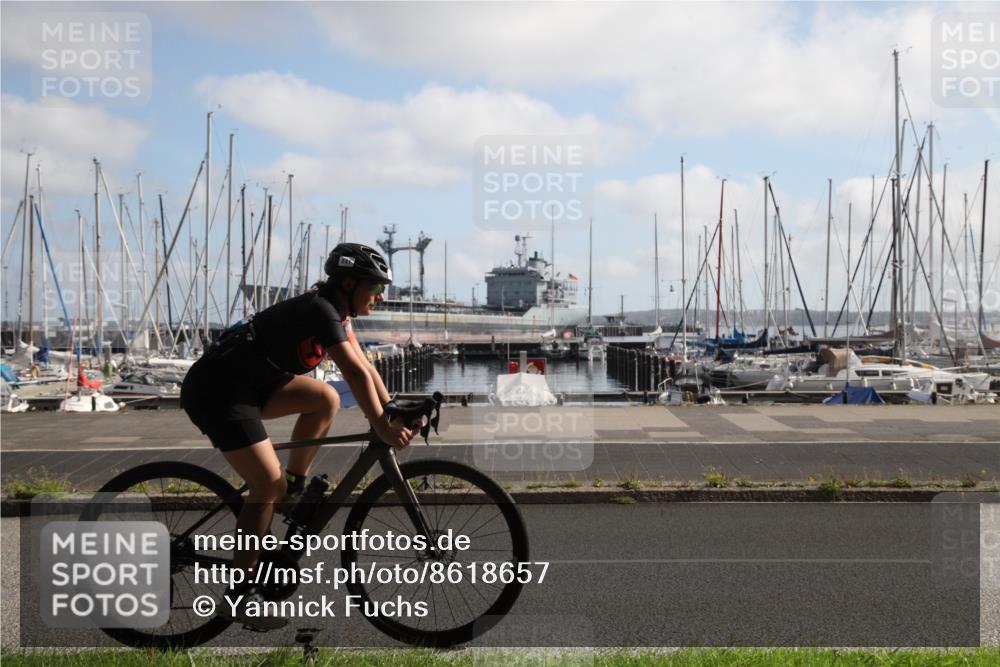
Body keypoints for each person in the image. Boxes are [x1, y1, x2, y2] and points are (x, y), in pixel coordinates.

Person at [180, 243, 416, 629]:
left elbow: (366, 368)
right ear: (349, 283)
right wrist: (382, 427)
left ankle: (293, 486)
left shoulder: (339, 314)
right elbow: (353, 374)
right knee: (265, 486)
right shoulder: (320, 310)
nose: (380, 296)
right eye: (375, 288)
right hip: (218, 391)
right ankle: (239, 597)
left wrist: (392, 410)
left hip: (254, 385)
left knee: (325, 399)